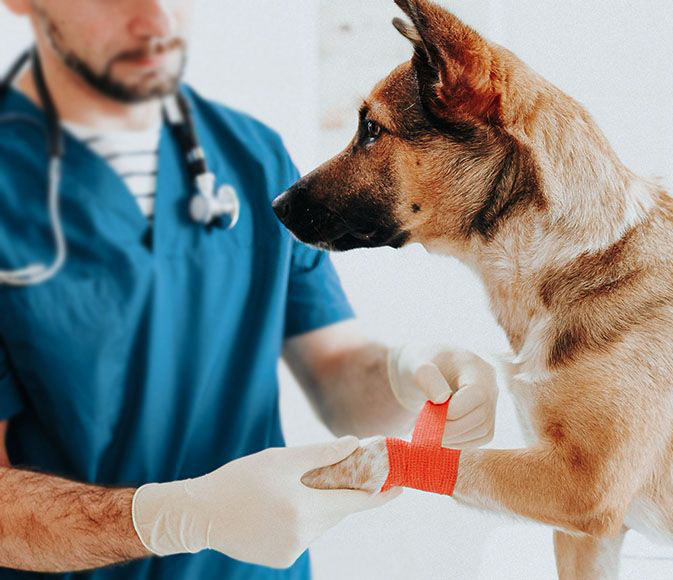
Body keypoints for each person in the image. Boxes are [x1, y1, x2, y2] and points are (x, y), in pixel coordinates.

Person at [0, 1, 499, 579]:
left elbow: (337, 376)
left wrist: (411, 374)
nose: (157, 21)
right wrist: (171, 518)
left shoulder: (251, 155)